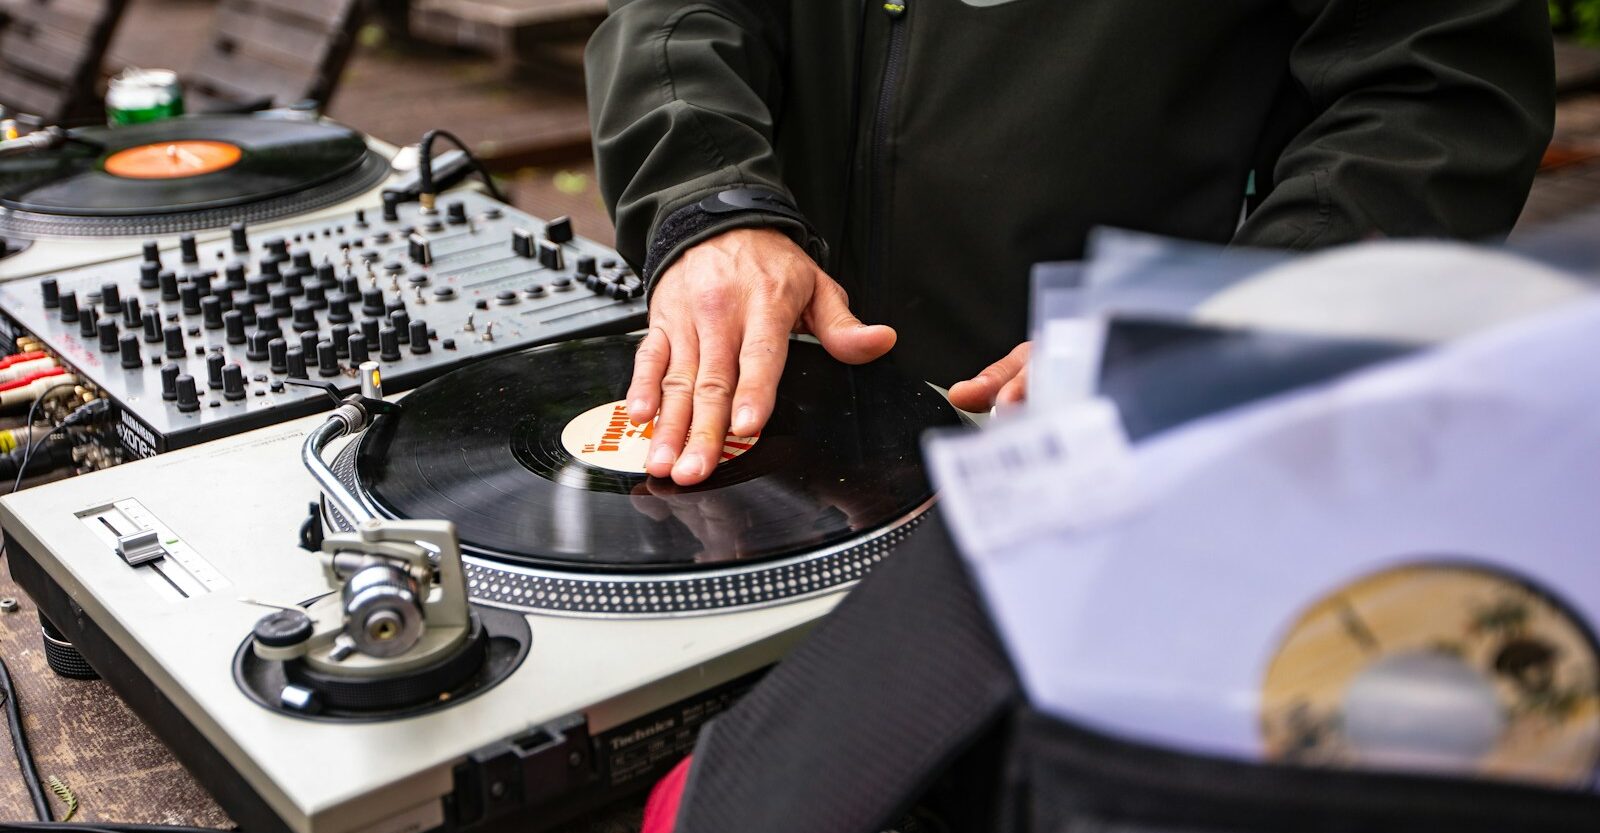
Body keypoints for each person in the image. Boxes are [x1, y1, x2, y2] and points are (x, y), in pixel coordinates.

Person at [585, 0, 1554, 486]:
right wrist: (708, 199)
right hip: (801, 435)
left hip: (1131, 431)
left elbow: (1432, 96)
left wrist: (1219, 317)